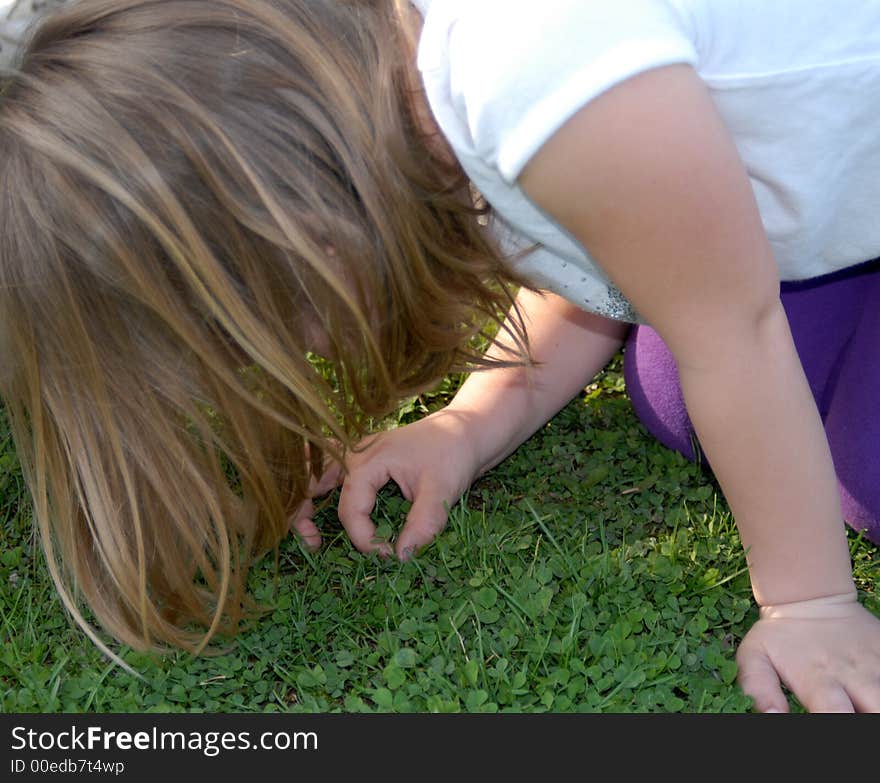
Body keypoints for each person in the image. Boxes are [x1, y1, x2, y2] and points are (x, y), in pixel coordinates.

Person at [0, 0, 878, 713]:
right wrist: (472, 418)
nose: (308, 355)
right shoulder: (427, 98)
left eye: (270, 332)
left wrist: (809, 604)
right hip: (803, 201)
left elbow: (737, 332)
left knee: (795, 420)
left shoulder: (536, 68)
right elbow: (586, 259)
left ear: (306, 228)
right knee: (675, 387)